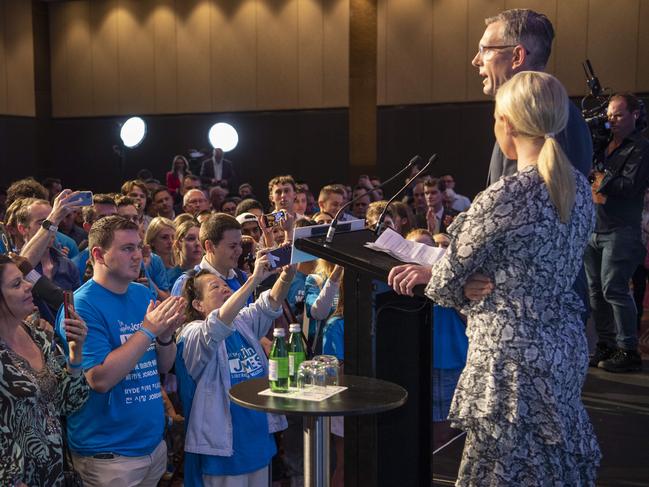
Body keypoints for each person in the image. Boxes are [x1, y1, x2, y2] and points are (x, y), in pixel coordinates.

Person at [389, 72, 600, 484]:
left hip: (511, 356)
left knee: (503, 467)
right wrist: (478, 284)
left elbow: (447, 281)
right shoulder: (576, 186)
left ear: (507, 123)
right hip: (563, 345)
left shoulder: (507, 195)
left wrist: (466, 287)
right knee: (549, 465)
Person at [465, 8, 593, 322]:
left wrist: (463, 275)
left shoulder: (542, 127)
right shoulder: (550, 116)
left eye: (485, 50)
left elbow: (526, 235)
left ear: (518, 55)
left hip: (526, 319)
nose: (476, 60)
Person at [54, 216, 186, 487]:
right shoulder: (82, 305)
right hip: (109, 455)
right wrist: (148, 331)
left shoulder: (141, 294)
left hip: (151, 446)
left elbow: (163, 365)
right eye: (127, 248)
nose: (137, 255)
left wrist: (163, 337)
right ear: (98, 254)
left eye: (138, 247)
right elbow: (99, 380)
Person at [176, 252, 294, 486]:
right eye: (214, 287)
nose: (224, 288)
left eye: (224, 284)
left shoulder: (241, 322)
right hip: (222, 453)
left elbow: (268, 304)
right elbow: (217, 324)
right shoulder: (191, 334)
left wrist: (287, 277)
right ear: (198, 304)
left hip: (257, 442)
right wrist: (253, 281)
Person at [0, 254, 89, 486]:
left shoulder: (38, 335)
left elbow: (70, 403)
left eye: (24, 279)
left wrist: (75, 354)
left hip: (56, 473)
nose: (29, 286)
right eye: (16, 284)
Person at [585, 92, 649, 372]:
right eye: (610, 115)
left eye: (619, 114)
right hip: (595, 227)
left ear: (635, 115)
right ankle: (606, 344)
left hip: (621, 230)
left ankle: (627, 349)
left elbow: (630, 186)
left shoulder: (641, 147)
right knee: (596, 292)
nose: (613, 120)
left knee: (615, 288)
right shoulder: (603, 144)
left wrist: (600, 183)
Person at [168, 218, 203, 285]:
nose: (197, 243)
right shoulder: (169, 277)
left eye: (200, 239)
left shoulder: (211, 273)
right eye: (191, 239)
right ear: (178, 244)